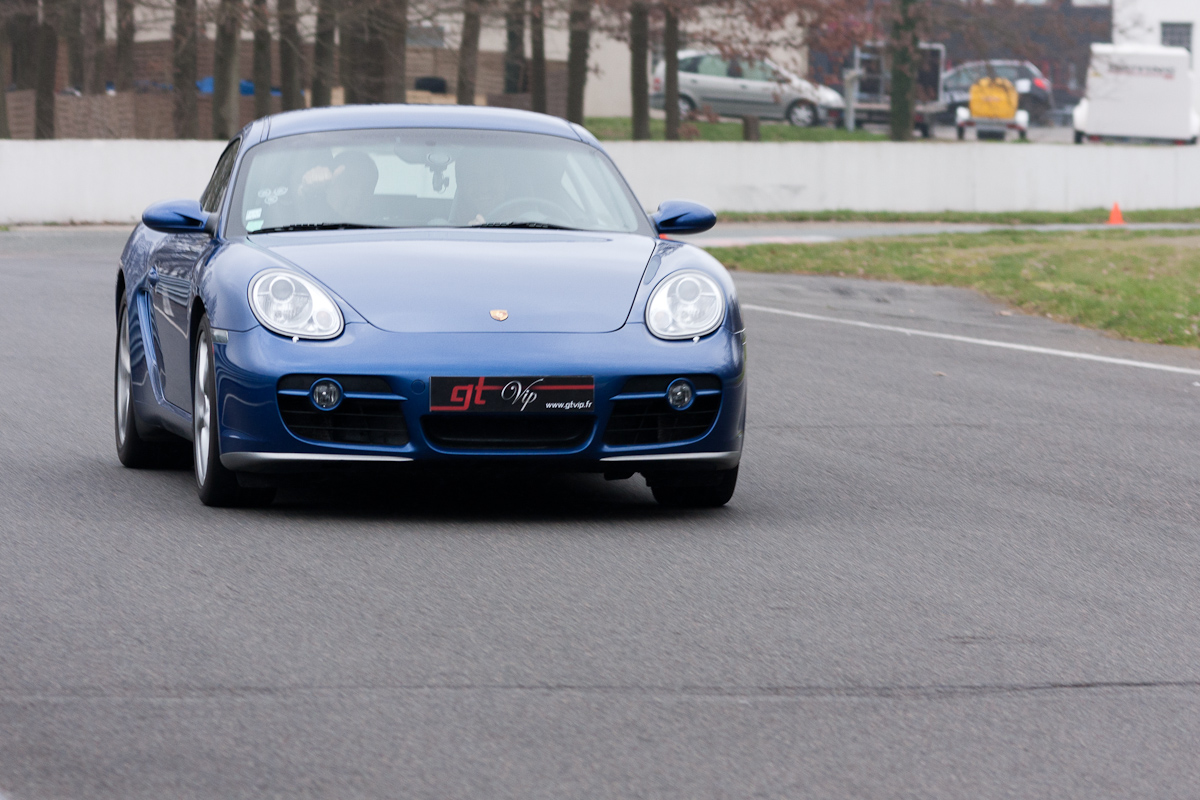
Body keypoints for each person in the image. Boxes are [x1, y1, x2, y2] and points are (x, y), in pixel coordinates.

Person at [297, 150, 380, 223]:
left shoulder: (380, 229)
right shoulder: (310, 223)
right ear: (328, 184)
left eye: (367, 188)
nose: (358, 195)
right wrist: (305, 189)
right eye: (350, 183)